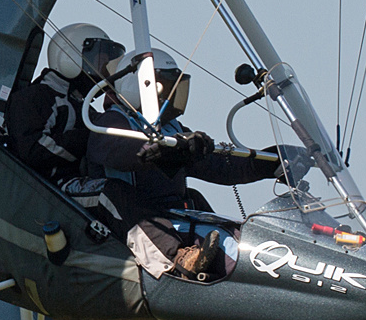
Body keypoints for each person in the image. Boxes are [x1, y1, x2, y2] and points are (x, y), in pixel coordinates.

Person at [83, 48, 290, 276]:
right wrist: (166, 150)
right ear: (138, 86)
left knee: (198, 203)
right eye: (165, 86)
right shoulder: (111, 122)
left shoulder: (172, 129)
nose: (172, 95)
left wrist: (269, 163)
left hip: (171, 216)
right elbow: (123, 152)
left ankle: (259, 254)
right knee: (117, 193)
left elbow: (217, 166)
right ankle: (177, 261)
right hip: (133, 219)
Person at [6, 23, 123, 181]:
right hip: (49, 190)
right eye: (98, 62)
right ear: (70, 57)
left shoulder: (82, 106)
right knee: (118, 195)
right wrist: (91, 136)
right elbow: (32, 150)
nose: (103, 70)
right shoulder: (37, 96)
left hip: (75, 186)